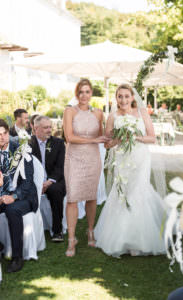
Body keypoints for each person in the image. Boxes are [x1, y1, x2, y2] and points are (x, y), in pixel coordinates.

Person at [94, 84, 166, 257]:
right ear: (116, 98)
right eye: (120, 96)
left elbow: (152, 138)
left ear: (132, 97)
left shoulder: (142, 113)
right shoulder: (112, 116)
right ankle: (122, 239)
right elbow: (107, 144)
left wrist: (135, 136)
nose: (123, 100)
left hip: (140, 157)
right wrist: (119, 138)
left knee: (138, 192)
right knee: (123, 193)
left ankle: (138, 240)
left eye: (127, 96)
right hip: (122, 160)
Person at [63, 78, 108, 257]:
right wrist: (93, 140)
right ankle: (71, 239)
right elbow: (69, 137)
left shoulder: (98, 113)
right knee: (72, 197)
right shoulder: (69, 111)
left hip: (93, 158)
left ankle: (90, 231)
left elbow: (103, 137)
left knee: (91, 196)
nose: (84, 95)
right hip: (74, 158)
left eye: (87, 92)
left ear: (91, 94)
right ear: (77, 93)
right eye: (81, 92)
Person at [0, 119, 38, 272]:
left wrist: (13, 197)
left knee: (12, 209)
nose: (2, 137)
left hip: (23, 196)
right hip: (2, 194)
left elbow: (28, 182)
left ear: (9, 133)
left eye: (4, 133)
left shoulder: (22, 150)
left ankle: (17, 257)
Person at [29, 115, 66, 242]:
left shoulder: (58, 143)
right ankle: (30, 230)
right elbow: (26, 168)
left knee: (55, 191)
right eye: (45, 128)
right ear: (36, 129)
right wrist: (37, 184)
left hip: (53, 180)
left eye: (50, 127)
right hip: (34, 180)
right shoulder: (28, 144)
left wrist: (48, 182)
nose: (49, 130)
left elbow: (60, 167)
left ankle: (57, 231)